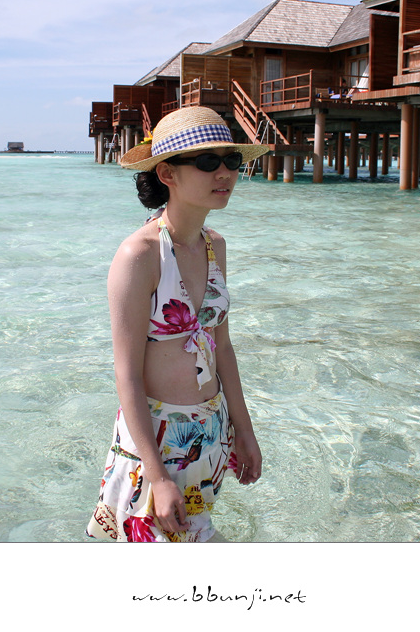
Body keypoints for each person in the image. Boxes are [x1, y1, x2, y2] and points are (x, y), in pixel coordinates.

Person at [85, 106, 268, 542]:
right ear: (167, 173)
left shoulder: (215, 246)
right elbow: (127, 374)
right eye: (207, 161)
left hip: (209, 432)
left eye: (231, 160)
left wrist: (244, 431)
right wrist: (157, 475)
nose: (224, 173)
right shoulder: (139, 255)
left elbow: (223, 349)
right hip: (156, 443)